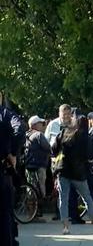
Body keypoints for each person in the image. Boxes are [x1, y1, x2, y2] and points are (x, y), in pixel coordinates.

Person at [52, 115, 93, 235]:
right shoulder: (84, 137)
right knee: (87, 197)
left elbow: (54, 149)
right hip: (78, 172)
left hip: (63, 170)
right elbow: (90, 154)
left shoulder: (63, 132)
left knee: (63, 199)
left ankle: (65, 227)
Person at [0, 95, 25, 246]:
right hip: (2, 169)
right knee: (4, 213)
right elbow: (20, 129)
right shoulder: (6, 114)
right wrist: (13, 153)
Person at [25, 115, 51, 217]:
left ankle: (31, 213)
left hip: (29, 165)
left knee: (30, 189)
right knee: (41, 189)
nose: (43, 125)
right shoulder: (39, 135)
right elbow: (48, 148)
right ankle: (37, 211)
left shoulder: (26, 135)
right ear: (35, 125)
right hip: (39, 165)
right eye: (41, 123)